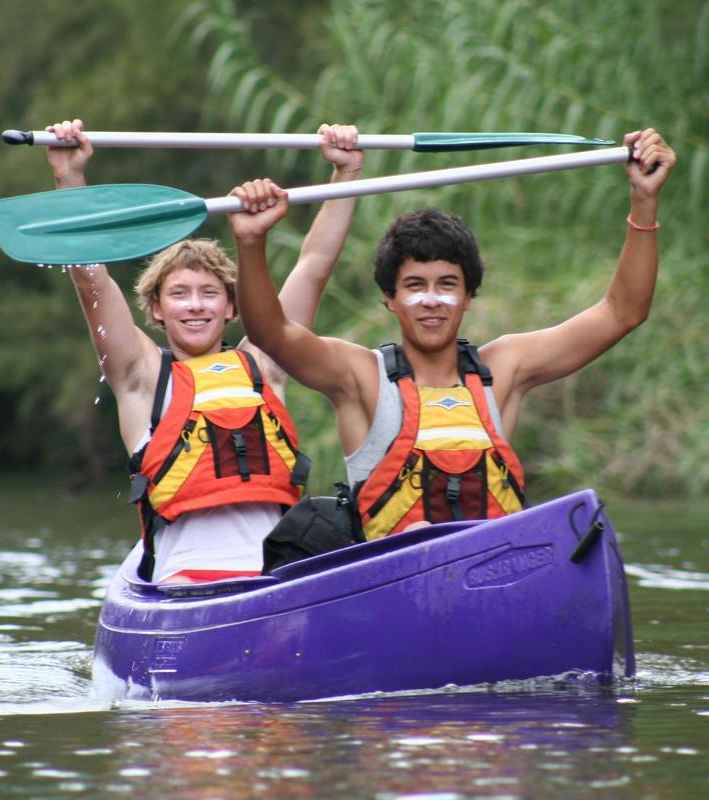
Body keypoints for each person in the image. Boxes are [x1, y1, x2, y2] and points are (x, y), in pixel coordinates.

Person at [228, 129, 676, 539]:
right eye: (414, 286)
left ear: (468, 297)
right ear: (390, 297)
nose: (431, 301)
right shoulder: (359, 376)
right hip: (394, 583)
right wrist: (252, 244)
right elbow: (272, 333)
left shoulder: (507, 367)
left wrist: (644, 199)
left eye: (447, 285)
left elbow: (623, 312)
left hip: (489, 574)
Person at [45, 118, 364, 582]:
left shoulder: (266, 364)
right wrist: (69, 179)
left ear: (233, 306)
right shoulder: (141, 376)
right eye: (179, 294)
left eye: (209, 293)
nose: (195, 306)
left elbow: (313, 266)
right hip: (185, 585)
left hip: (275, 581)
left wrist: (345, 173)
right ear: (155, 309)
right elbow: (89, 278)